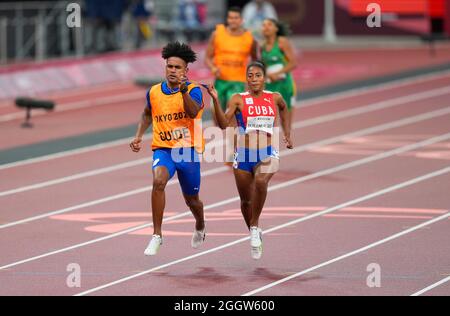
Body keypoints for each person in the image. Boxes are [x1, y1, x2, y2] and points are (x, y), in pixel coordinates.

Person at [205, 61, 293, 260]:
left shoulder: (275, 97)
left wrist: (287, 133)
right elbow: (222, 124)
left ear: (264, 78)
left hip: (268, 152)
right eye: (250, 76)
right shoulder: (238, 99)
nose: (254, 79)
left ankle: (254, 227)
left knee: (261, 182)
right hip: (243, 155)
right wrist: (216, 102)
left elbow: (284, 109)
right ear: (246, 78)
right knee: (245, 201)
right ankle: (254, 230)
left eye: (258, 75)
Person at [130, 42, 206, 256]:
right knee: (158, 181)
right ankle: (157, 235)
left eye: (177, 67)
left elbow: (192, 112)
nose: (173, 70)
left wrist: (182, 91)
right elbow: (147, 113)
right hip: (163, 149)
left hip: (187, 150)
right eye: (169, 67)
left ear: (186, 71)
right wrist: (138, 136)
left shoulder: (194, 90)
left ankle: (200, 223)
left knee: (192, 200)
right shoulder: (154, 91)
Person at [205, 6, 259, 114]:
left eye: (236, 18)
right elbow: (207, 58)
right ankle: (224, 130)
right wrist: (213, 68)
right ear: (227, 19)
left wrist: (253, 79)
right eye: (230, 17)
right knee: (216, 113)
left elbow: (255, 61)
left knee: (233, 109)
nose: (233, 20)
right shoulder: (217, 34)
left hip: (238, 82)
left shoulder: (250, 38)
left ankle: (234, 130)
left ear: (241, 20)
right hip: (220, 81)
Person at [261, 19, 298, 129]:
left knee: (286, 122)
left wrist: (277, 73)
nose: (266, 27)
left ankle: (288, 144)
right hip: (270, 86)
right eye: (263, 25)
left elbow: (293, 63)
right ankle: (267, 145)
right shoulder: (262, 46)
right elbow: (263, 66)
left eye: (269, 25)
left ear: (276, 29)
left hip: (285, 86)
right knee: (268, 119)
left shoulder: (282, 42)